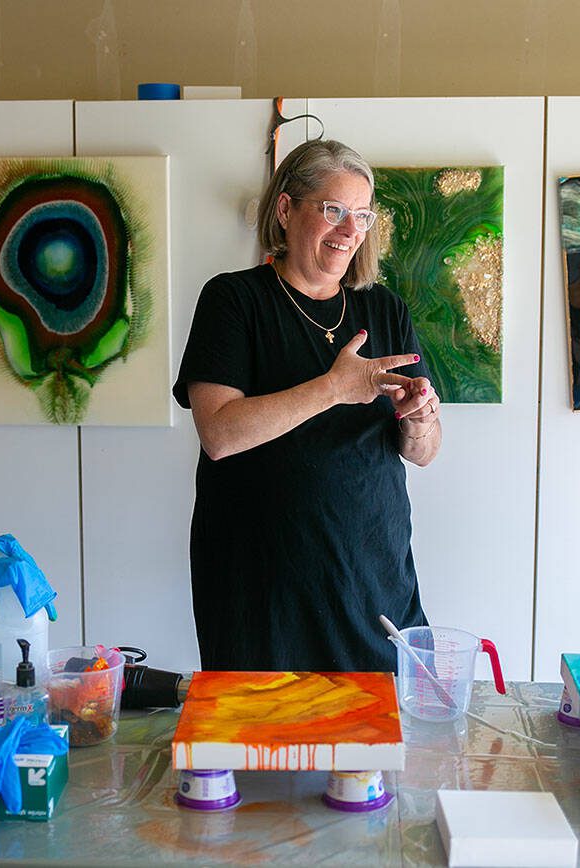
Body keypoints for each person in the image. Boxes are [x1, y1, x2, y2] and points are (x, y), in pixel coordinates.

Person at [173, 139, 442, 672]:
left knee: (376, 747)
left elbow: (426, 452)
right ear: (285, 209)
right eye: (333, 210)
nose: (350, 231)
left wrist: (420, 420)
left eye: (361, 215)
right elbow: (220, 434)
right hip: (263, 589)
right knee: (266, 747)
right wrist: (335, 387)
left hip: (373, 579)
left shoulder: (383, 308)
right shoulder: (234, 300)